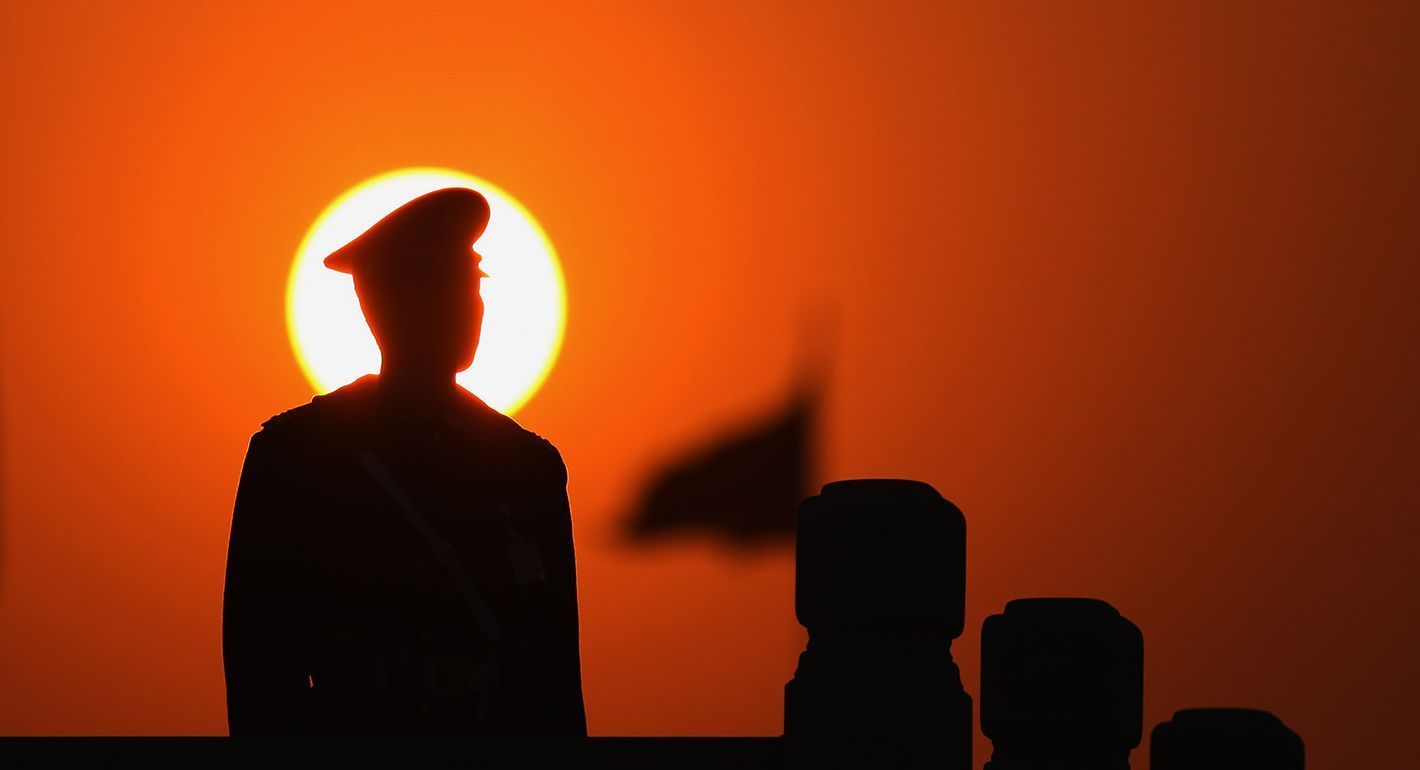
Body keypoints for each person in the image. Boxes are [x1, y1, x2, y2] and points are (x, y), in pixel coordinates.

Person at [222, 188, 585, 736]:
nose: (468, 304)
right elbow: (262, 670)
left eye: (473, 282)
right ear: (381, 304)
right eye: (442, 284)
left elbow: (554, 679)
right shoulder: (300, 456)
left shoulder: (527, 466)